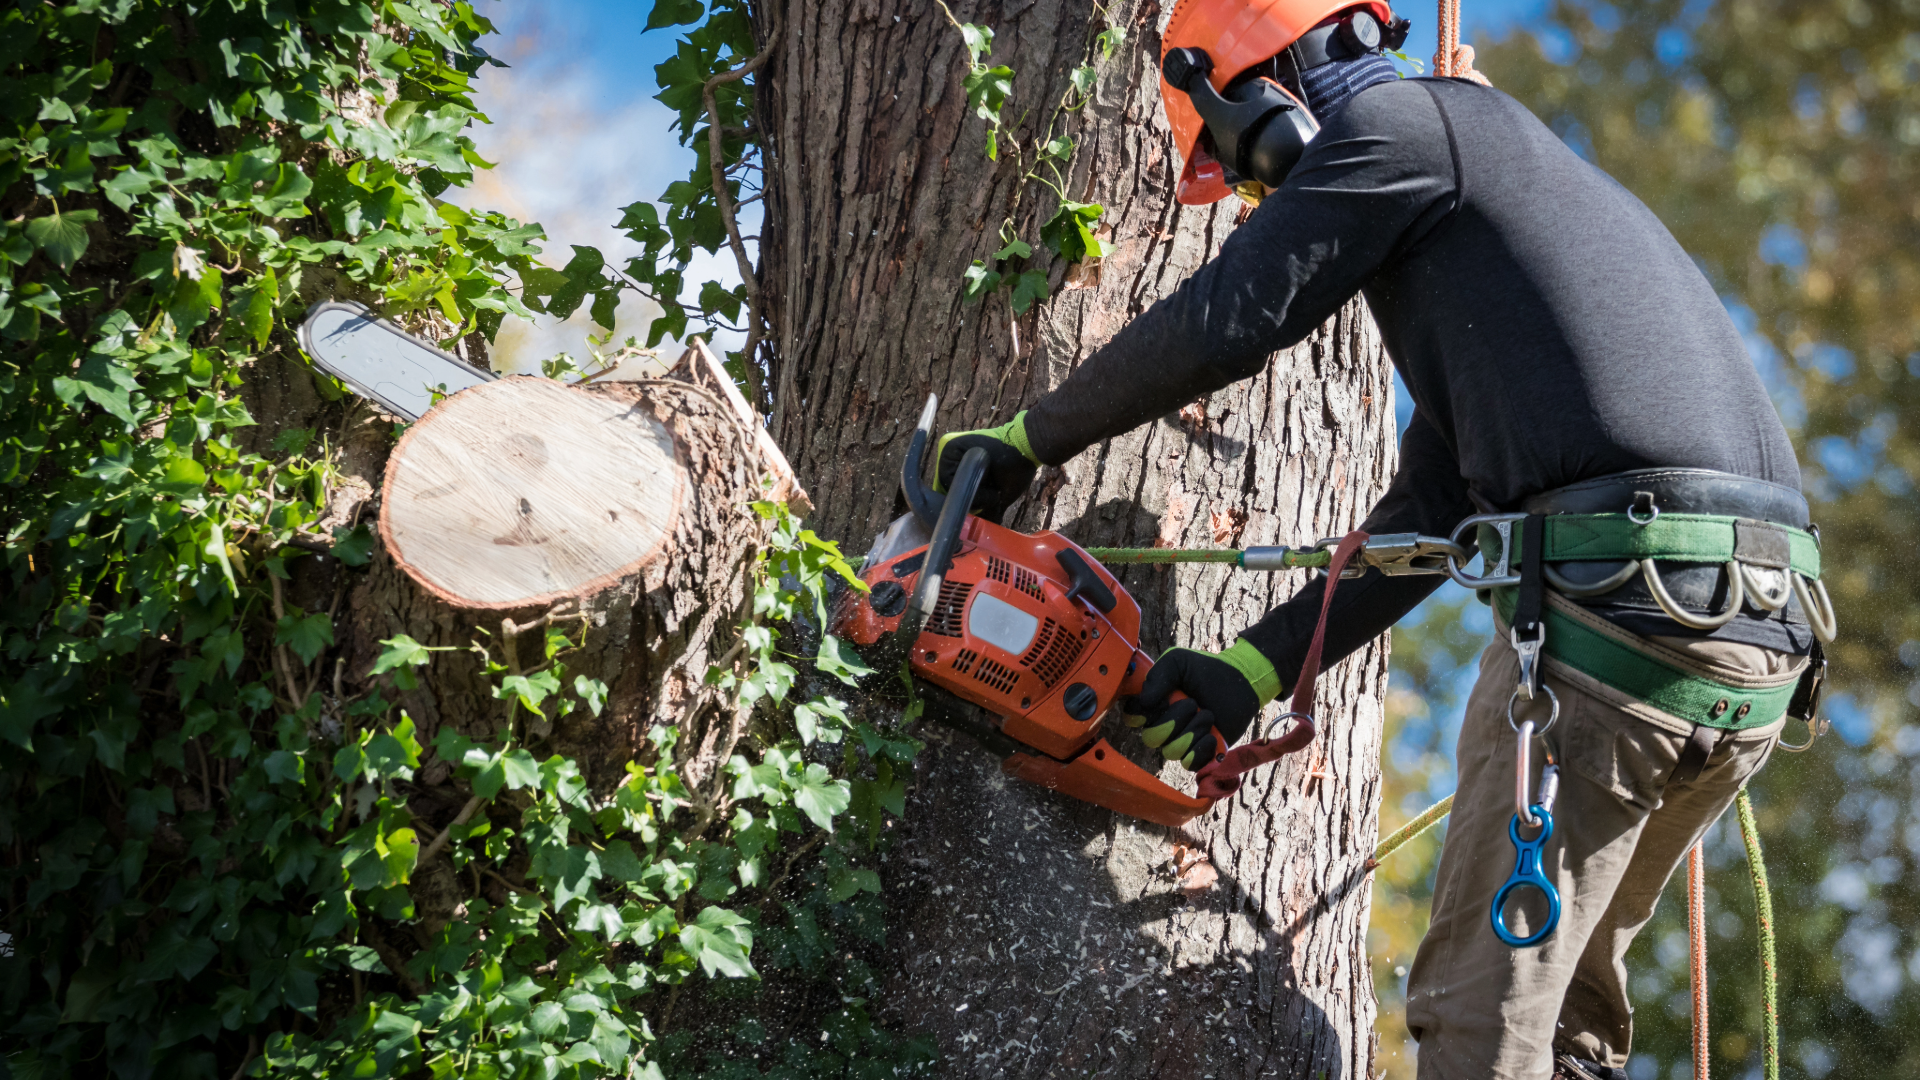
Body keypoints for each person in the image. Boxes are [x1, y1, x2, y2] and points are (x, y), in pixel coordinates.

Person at [931, 2, 1830, 1078]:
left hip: (1620, 634)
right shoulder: (1499, 196)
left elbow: (1232, 316)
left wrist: (1027, 439)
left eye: (1244, 168)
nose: (1265, 197)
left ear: (1260, 98)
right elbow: (1437, 511)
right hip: (1749, 650)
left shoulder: (1405, 133)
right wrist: (1249, 670)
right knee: (1567, 1041)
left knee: (1475, 1032)